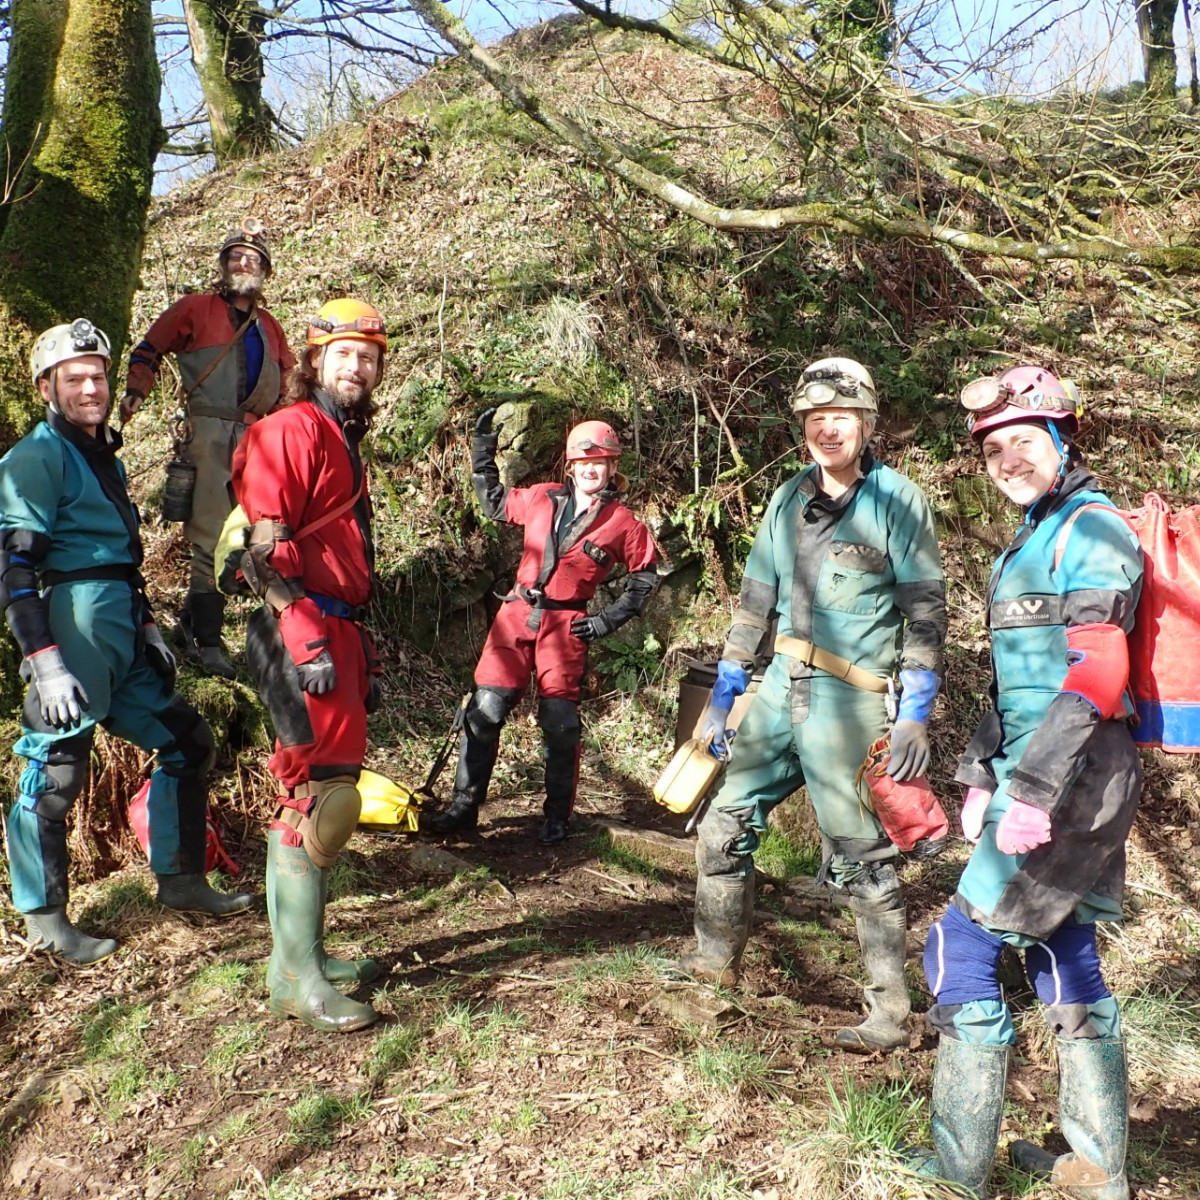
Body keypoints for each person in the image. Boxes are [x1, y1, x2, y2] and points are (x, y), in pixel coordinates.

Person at [914, 366, 1141, 1199]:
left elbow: (1098, 673)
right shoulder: (1033, 535)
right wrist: (981, 773)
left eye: (1023, 442)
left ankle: (959, 1171)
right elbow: (1023, 680)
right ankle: (1097, 1167)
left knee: (962, 947)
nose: (1008, 458)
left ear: (1062, 440)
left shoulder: (1092, 528)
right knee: (1063, 942)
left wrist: (1033, 795)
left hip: (1074, 779)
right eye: (994, 449)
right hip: (1050, 769)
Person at [675, 356, 947, 1052]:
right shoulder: (789, 496)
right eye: (816, 418)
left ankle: (889, 1017)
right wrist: (728, 688)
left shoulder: (897, 500)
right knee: (721, 826)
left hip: (849, 702)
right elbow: (754, 598)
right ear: (803, 427)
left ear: (868, 422)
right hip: (776, 688)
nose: (829, 428)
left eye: (843, 417)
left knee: (861, 858)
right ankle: (712, 970)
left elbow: (926, 613)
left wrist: (915, 709)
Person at [0, 320, 252, 965]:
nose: (91, 388)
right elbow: (17, 570)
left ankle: (181, 879)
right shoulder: (35, 457)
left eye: (99, 376)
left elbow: (118, 557)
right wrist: (46, 663)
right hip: (71, 627)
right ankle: (46, 919)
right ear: (46, 387)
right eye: (75, 378)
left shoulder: (99, 451)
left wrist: (145, 626)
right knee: (53, 772)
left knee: (187, 742)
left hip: (120, 625)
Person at [231, 297, 387, 1033]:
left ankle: (300, 960)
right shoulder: (289, 430)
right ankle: (298, 977)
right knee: (312, 805)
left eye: (369, 354)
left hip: (335, 628)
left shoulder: (338, 436)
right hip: (299, 627)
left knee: (332, 799)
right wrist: (306, 636)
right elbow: (259, 555)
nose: (357, 365)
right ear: (314, 361)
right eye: (344, 352)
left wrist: (360, 652)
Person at [428, 413, 658, 846]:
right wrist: (482, 451)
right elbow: (494, 501)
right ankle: (464, 805)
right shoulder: (541, 497)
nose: (592, 470)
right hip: (516, 613)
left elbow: (646, 575)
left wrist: (608, 619)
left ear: (613, 469)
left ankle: (556, 817)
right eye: (584, 462)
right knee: (484, 711)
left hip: (567, 624)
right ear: (570, 465)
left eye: (602, 463)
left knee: (560, 723)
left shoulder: (623, 522)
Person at [123, 220, 295, 678]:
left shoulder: (271, 328)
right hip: (209, 433)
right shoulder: (195, 310)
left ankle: (196, 622)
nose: (245, 263)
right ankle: (208, 643)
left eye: (254, 259)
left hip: (258, 441)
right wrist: (135, 392)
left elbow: (291, 384)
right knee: (208, 536)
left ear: (265, 273)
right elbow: (149, 349)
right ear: (223, 266)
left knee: (256, 535)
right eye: (237, 256)